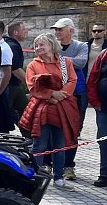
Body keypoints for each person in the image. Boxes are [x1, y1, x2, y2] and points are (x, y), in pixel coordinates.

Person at [19, 32, 80, 190]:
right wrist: (51, 94)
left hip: (61, 108)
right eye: (36, 45)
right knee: (39, 144)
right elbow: (32, 87)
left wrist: (60, 95)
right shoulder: (33, 65)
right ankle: (35, 179)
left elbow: (72, 80)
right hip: (42, 110)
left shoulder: (66, 62)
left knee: (59, 144)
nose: (38, 48)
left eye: (41, 45)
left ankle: (58, 178)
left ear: (52, 45)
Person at [52, 18, 88, 181]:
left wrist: (58, 60)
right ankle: (49, 163)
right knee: (52, 129)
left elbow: (81, 63)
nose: (57, 32)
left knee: (73, 131)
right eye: (56, 29)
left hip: (76, 94)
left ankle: (68, 167)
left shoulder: (81, 46)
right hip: (55, 93)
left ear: (71, 30)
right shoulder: (52, 45)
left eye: (60, 29)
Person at [86, 42, 107, 187]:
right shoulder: (103, 55)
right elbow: (93, 79)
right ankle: (105, 175)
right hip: (104, 109)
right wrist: (95, 102)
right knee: (104, 142)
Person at [5, 21, 29, 127]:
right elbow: (15, 69)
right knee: (3, 114)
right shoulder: (13, 46)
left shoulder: (9, 44)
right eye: (23, 29)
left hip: (13, 85)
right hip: (10, 86)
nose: (26, 31)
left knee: (24, 112)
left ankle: (28, 134)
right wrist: (31, 83)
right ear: (15, 32)